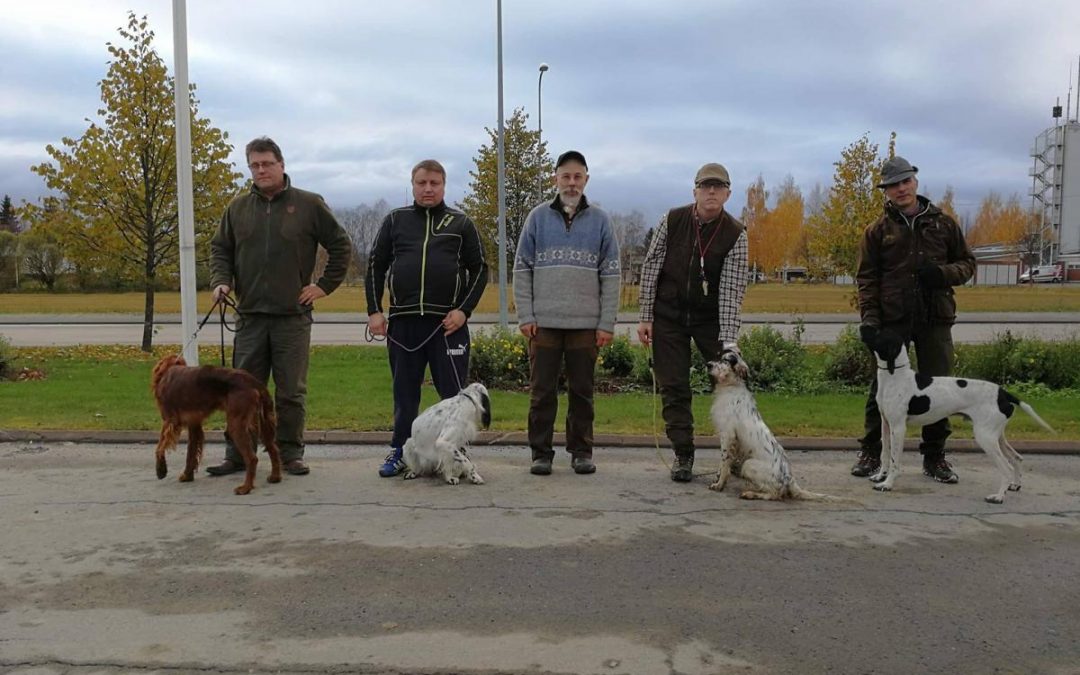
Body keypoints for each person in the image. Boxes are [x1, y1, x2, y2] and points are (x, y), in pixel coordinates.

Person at [207, 136, 352, 477]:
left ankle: (289, 453)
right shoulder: (237, 208)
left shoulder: (309, 204)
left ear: (282, 165)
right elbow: (220, 249)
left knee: (290, 393)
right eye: (255, 165)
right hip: (250, 318)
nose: (261, 170)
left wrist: (323, 286)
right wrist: (221, 280)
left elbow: (340, 246)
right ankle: (238, 454)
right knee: (241, 393)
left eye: (267, 163)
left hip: (292, 318)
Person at [852, 156, 976, 482]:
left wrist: (942, 273)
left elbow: (967, 264)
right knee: (880, 386)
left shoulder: (944, 225)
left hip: (935, 318)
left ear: (915, 182)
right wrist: (870, 320)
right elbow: (867, 280)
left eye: (905, 181)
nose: (901, 189)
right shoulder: (877, 232)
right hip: (893, 320)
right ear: (886, 191)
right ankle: (871, 451)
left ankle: (935, 457)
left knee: (940, 387)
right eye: (893, 185)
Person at [366, 159, 489, 477]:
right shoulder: (395, 220)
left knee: (453, 396)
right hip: (403, 324)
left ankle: (456, 453)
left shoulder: (461, 223)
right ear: (413, 185)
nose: (428, 188)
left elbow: (480, 270)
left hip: (447, 325)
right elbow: (376, 265)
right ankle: (400, 451)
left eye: (434, 183)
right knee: (405, 393)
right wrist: (374, 311)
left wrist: (464, 311)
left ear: (444, 186)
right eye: (422, 183)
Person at [637, 163, 748, 482]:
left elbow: (731, 291)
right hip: (668, 316)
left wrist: (729, 342)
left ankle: (737, 453)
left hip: (709, 319)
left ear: (727, 193)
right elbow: (651, 267)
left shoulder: (736, 234)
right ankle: (683, 454)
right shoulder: (672, 220)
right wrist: (646, 316)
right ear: (694, 191)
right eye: (705, 186)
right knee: (673, 386)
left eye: (718, 187)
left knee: (733, 385)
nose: (711, 192)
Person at [514, 150, 621, 476]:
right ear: (556, 179)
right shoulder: (537, 218)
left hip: (585, 326)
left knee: (582, 393)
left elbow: (612, 274)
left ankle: (581, 452)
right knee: (542, 393)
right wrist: (526, 316)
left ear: (586, 179)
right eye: (566, 176)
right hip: (543, 324)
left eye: (577, 176)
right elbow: (522, 269)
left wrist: (606, 323)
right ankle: (541, 453)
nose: (571, 183)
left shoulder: (601, 221)